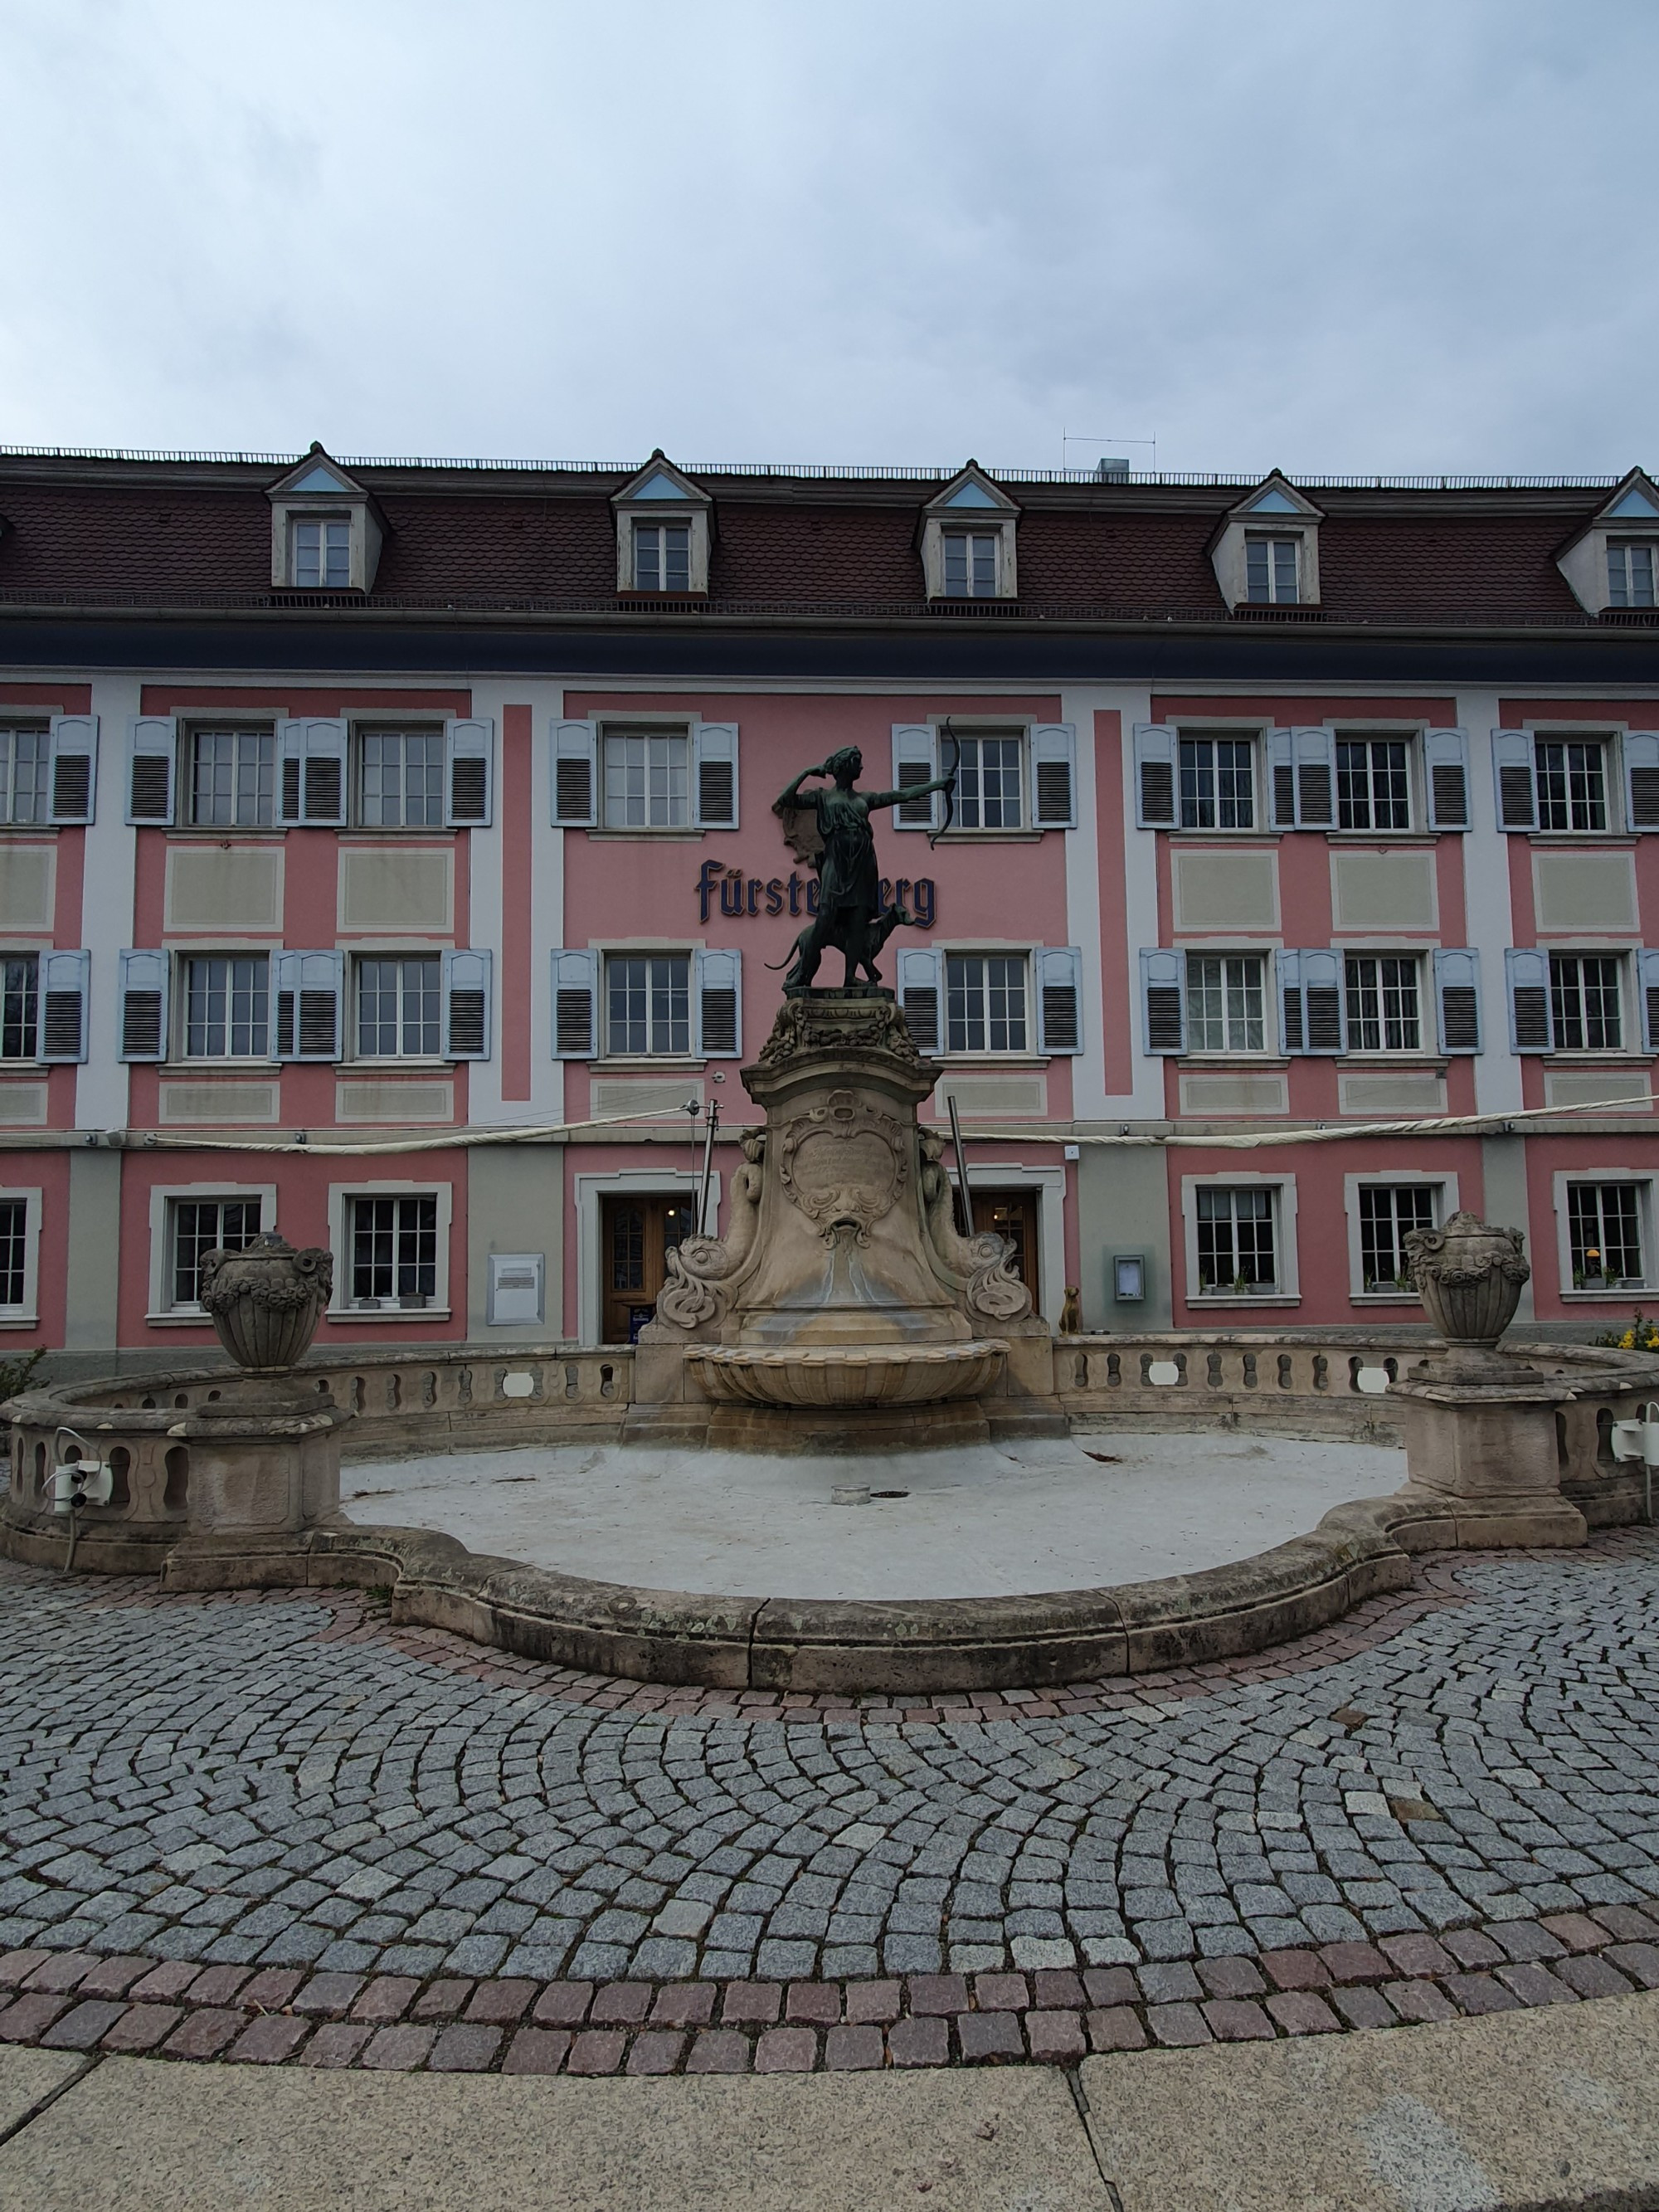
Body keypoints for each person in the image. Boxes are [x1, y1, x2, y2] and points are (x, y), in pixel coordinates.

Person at [772, 745, 955, 990]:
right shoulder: (822, 797)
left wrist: (939, 785)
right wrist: (807, 771)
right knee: (825, 918)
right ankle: (802, 974)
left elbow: (901, 795)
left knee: (858, 921)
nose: (861, 766)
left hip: (864, 862)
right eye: (857, 761)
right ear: (844, 765)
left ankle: (850, 977)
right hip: (836, 861)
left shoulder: (864, 799)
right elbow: (786, 800)